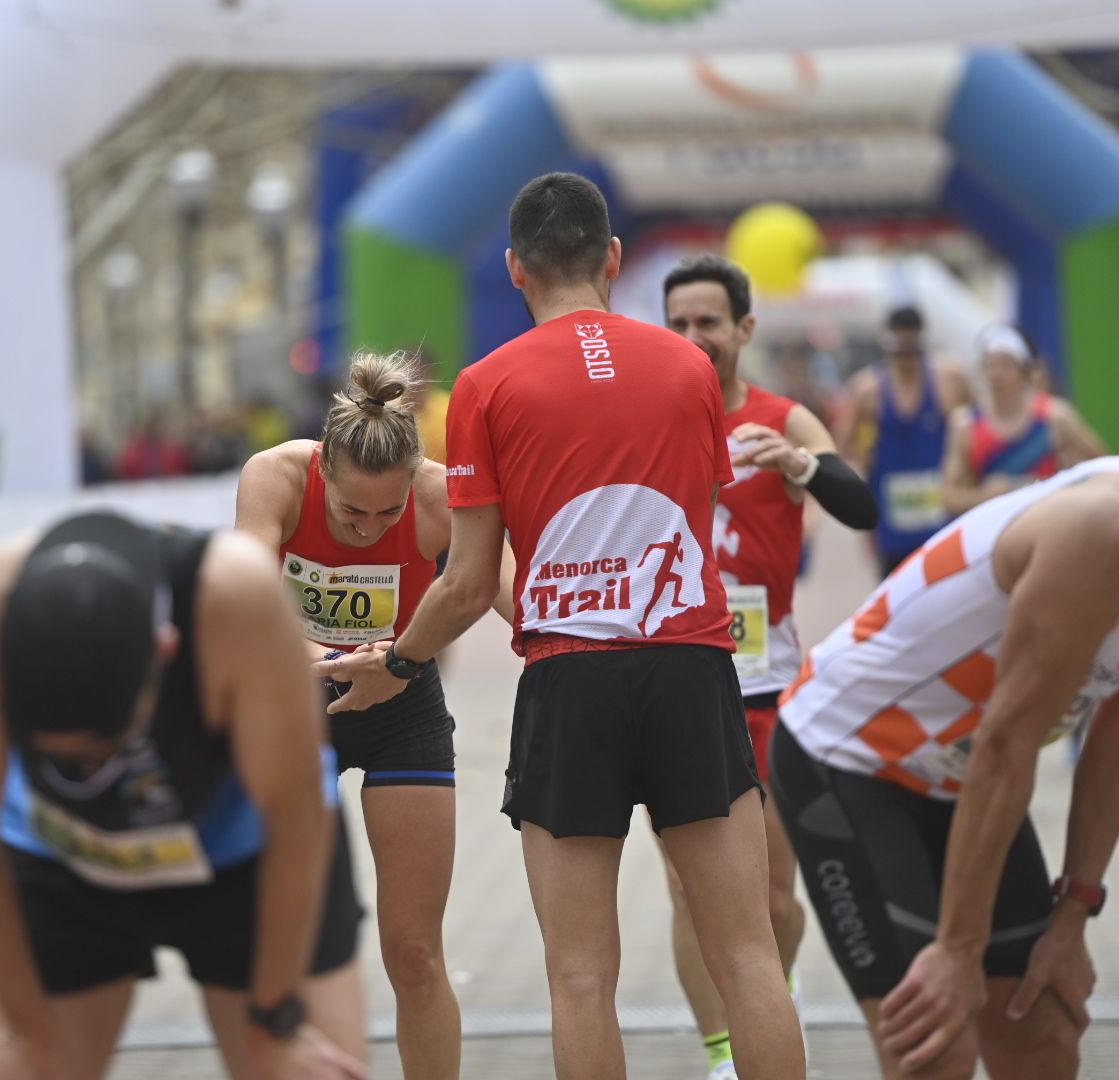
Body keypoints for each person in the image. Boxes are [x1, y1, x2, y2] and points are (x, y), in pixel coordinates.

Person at [320, 173, 805, 1080]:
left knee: (580, 976)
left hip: (569, 676)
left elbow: (467, 583)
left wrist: (400, 659)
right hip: (692, 666)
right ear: (614, 259)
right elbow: (695, 516)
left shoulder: (486, 384)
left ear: (513, 270)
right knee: (748, 955)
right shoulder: (690, 367)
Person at [773, 450, 1119, 1079]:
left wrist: (1072, 916)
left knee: (1041, 1035)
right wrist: (958, 950)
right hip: (851, 760)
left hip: (958, 778)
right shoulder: (1113, 531)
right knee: (936, 1050)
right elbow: (1005, 744)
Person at [0, 510, 368, 1080]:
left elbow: (296, 818)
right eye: (65, 759)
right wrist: (29, 1030)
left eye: (104, 749)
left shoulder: (235, 598)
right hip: (60, 854)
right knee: (23, 1066)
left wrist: (276, 1019)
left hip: (246, 857)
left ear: (165, 651)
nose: (91, 772)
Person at [236, 350, 511, 1080]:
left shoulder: (438, 496)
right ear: (323, 468)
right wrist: (331, 665)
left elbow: (512, 598)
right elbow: (241, 606)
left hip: (401, 704)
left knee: (415, 953)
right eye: (352, 510)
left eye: (387, 513)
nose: (367, 528)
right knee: (284, 944)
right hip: (296, 705)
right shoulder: (275, 477)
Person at [661, 256, 879, 1078]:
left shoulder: (783, 419)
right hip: (681, 679)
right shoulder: (651, 416)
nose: (693, 338)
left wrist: (800, 466)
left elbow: (859, 503)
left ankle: (768, 1003)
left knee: (772, 897)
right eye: (677, 323)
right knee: (689, 891)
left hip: (768, 686)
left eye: (707, 322)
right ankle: (725, 1052)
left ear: (743, 330)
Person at [837, 306, 973, 578]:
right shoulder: (868, 388)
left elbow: (978, 430)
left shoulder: (949, 379)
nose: (907, 357)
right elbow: (840, 444)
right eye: (900, 349)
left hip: (942, 512)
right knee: (896, 592)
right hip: (892, 516)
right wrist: (865, 458)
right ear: (888, 344)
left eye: (912, 348)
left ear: (922, 341)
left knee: (945, 589)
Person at [941, 325, 1106, 517]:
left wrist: (1066, 487)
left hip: (1048, 524)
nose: (997, 374)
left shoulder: (1054, 416)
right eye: (990, 365)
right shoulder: (965, 423)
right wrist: (983, 496)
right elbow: (948, 497)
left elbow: (1102, 464)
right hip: (996, 531)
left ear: (1023, 373)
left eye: (1005, 365)